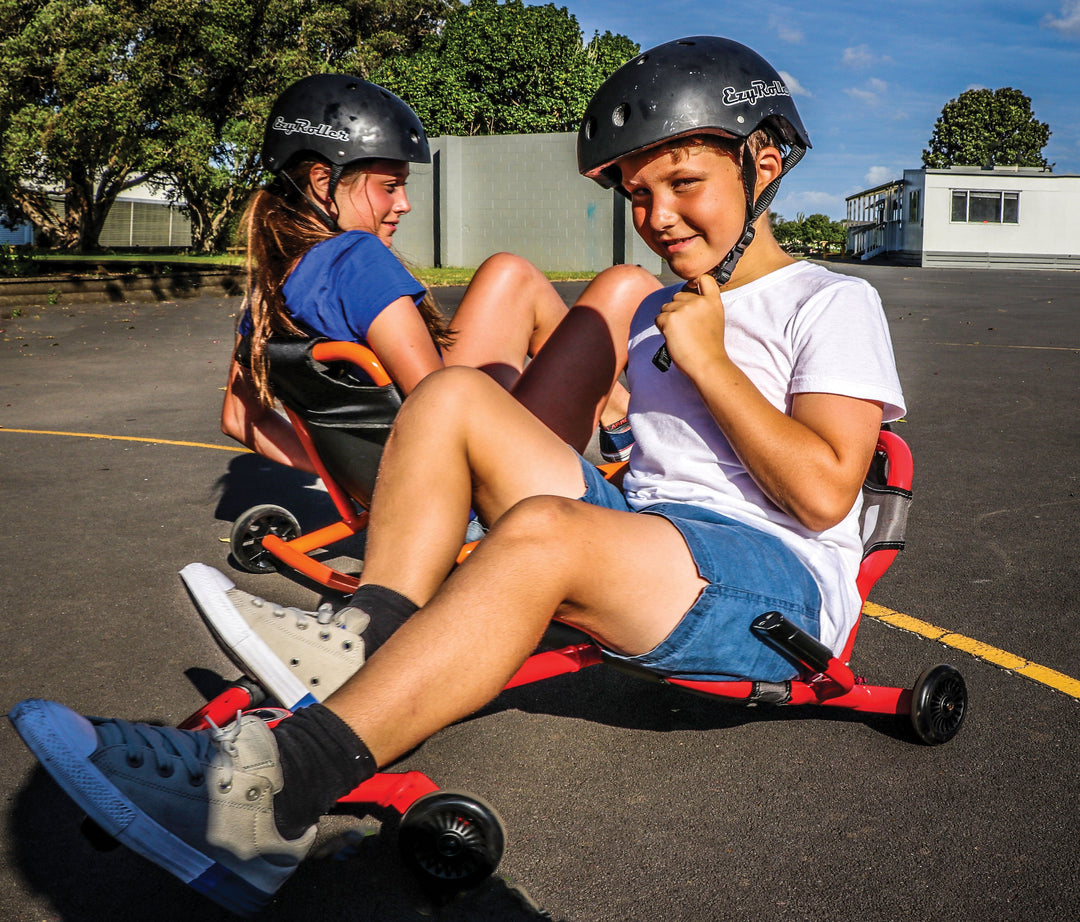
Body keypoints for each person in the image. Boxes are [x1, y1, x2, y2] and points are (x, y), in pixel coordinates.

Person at [10, 37, 905, 915]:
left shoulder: (830, 301)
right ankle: (363, 636)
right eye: (638, 195)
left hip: (774, 590)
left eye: (684, 184)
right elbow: (643, 467)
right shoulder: (658, 314)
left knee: (540, 532)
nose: (658, 216)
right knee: (449, 400)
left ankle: (270, 804)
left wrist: (708, 364)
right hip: (657, 540)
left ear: (767, 160)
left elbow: (828, 492)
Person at [220, 73, 651, 473]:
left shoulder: (271, 285)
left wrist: (355, 480)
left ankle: (617, 418)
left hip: (419, 473)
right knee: (625, 286)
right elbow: (442, 407)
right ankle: (673, 445)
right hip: (480, 482)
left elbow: (239, 418)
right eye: (389, 186)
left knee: (510, 273)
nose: (404, 203)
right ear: (321, 181)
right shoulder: (356, 258)